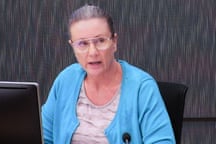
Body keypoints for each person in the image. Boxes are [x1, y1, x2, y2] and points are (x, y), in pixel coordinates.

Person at [41, 4, 175, 144]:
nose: (92, 52)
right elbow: (43, 137)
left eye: (100, 41)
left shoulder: (142, 88)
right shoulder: (65, 80)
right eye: (82, 44)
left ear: (114, 42)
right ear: (72, 47)